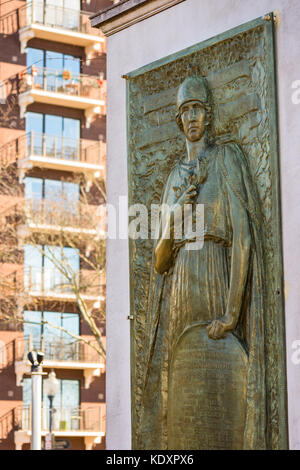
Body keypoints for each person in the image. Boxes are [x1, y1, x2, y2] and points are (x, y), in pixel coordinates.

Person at [138, 75, 267, 450]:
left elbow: (243, 236)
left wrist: (231, 311)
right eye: (185, 111)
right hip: (182, 284)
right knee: (185, 391)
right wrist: (174, 217)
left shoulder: (228, 159)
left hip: (216, 274)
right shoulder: (173, 178)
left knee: (222, 388)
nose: (191, 117)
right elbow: (161, 261)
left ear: (208, 116)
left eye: (197, 109)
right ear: (179, 121)